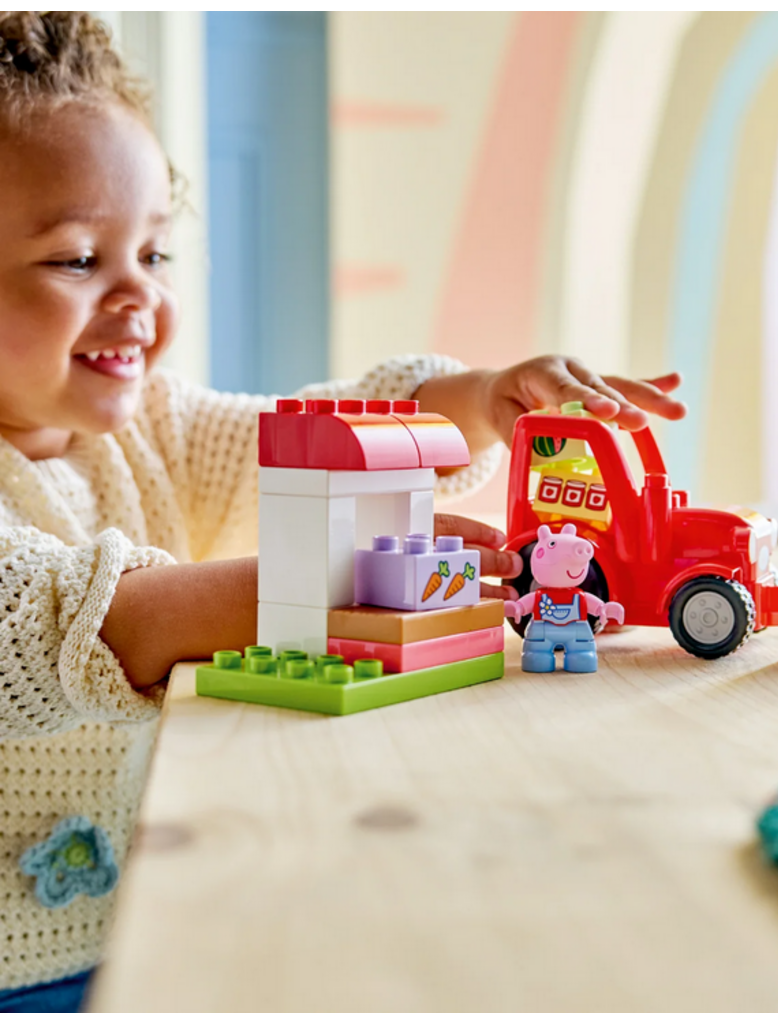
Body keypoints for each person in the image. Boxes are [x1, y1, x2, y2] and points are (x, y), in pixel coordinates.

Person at [0, 10, 685, 1012]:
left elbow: (311, 438)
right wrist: (341, 568)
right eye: (75, 259)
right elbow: (83, 618)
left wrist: (481, 399)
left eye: (154, 253)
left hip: (147, 917)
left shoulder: (149, 425)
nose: (135, 296)